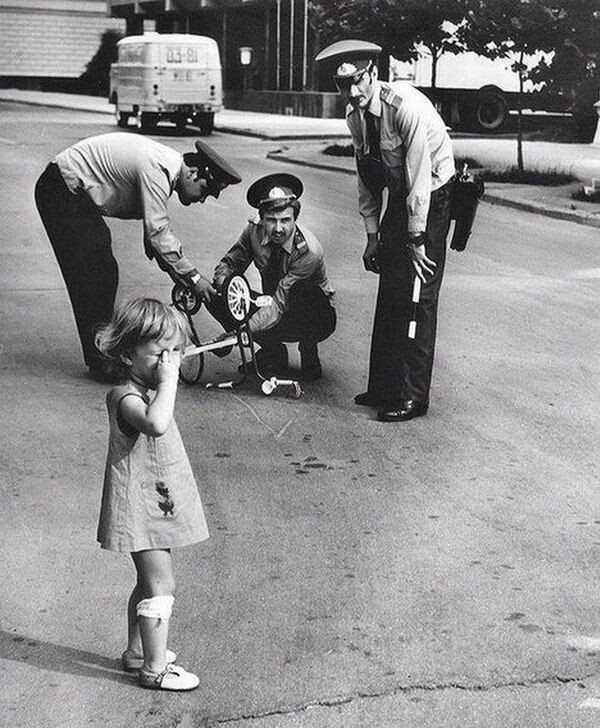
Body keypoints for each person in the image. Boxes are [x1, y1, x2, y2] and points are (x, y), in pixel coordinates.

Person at [315, 40, 456, 421]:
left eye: (358, 80)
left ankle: (413, 396)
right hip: (401, 190)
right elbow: (368, 176)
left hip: (433, 192)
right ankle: (383, 386)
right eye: (343, 85)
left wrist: (415, 237)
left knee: (418, 292)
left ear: (373, 73)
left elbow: (420, 178)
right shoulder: (355, 116)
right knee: (391, 285)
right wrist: (373, 236)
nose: (353, 91)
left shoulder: (402, 107)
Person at [34, 132, 241, 382]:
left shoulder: (166, 169)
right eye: (205, 190)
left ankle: (102, 354)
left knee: (101, 267)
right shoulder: (159, 169)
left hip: (71, 192)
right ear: (193, 173)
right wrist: (195, 279)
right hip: (60, 190)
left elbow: (154, 241)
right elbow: (157, 234)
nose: (201, 199)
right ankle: (102, 362)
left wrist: (184, 278)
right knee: (95, 272)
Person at [95, 298, 209, 691]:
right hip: (138, 508)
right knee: (162, 585)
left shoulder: (148, 387)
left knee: (147, 581)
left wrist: (165, 375)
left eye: (174, 351)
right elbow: (156, 424)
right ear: (127, 354)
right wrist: (170, 380)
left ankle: (135, 652)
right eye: (159, 352)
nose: (168, 361)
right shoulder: (126, 397)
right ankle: (155, 669)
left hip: (152, 502)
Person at [205, 173, 336, 381]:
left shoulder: (308, 251)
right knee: (215, 293)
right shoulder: (253, 232)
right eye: (271, 220)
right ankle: (274, 353)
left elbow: (278, 305)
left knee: (302, 291)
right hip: (272, 305)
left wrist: (237, 334)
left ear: (295, 218)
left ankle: (309, 350)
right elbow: (229, 264)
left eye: (285, 220)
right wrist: (225, 287)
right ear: (261, 218)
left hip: (311, 315)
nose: (278, 228)